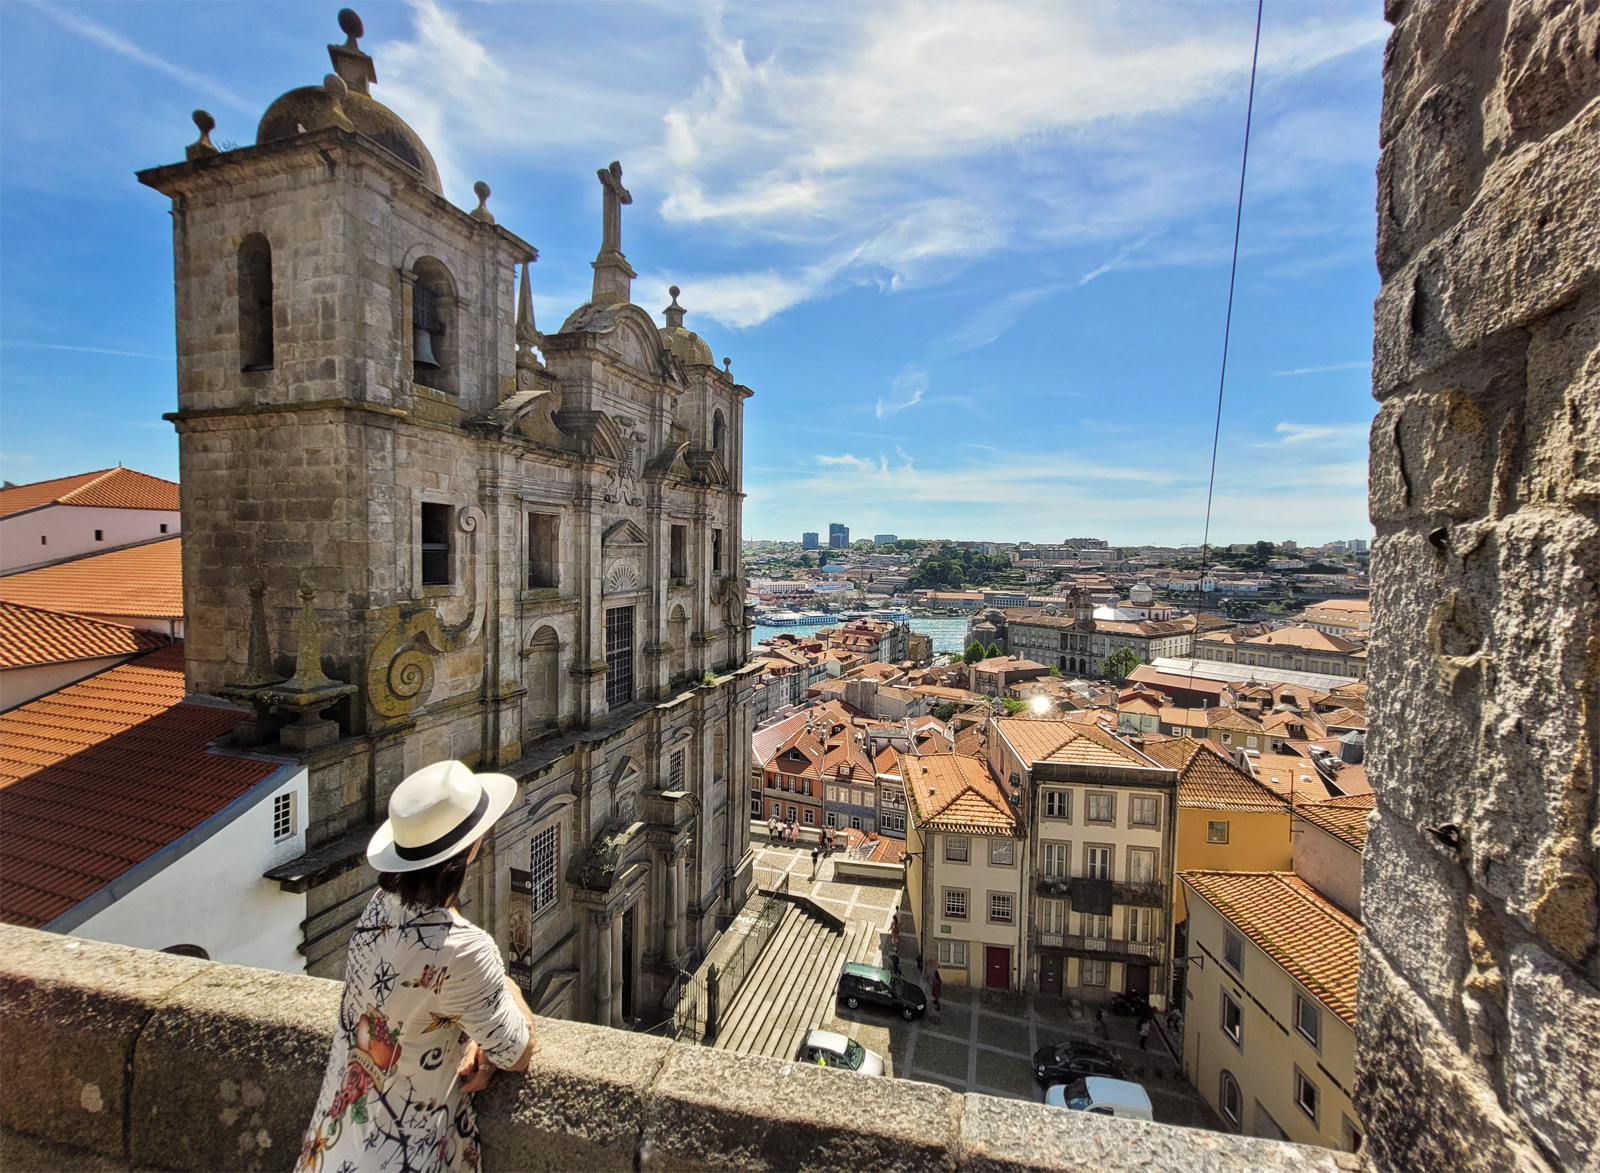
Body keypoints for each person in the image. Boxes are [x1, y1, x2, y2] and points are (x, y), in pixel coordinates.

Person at [296, 761, 535, 1173]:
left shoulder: (377, 909)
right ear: (472, 846)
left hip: (330, 1153)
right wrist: (508, 991)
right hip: (407, 1159)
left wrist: (477, 1011)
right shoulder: (466, 951)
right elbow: (518, 1053)